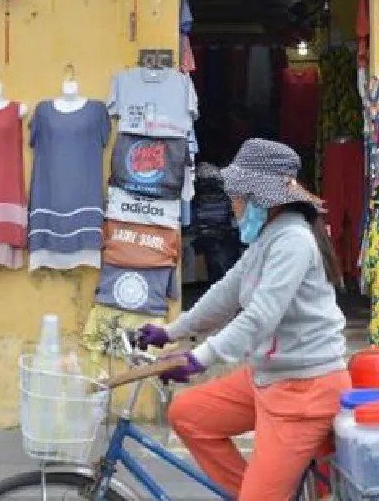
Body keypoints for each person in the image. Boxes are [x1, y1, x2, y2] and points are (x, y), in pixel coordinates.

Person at [135, 138, 351, 501]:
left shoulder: (293, 241)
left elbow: (259, 317)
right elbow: (225, 293)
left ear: (259, 197)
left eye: (236, 197)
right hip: (271, 377)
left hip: (304, 389)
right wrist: (171, 332)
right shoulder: (269, 237)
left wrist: (200, 358)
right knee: (187, 414)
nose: (233, 205)